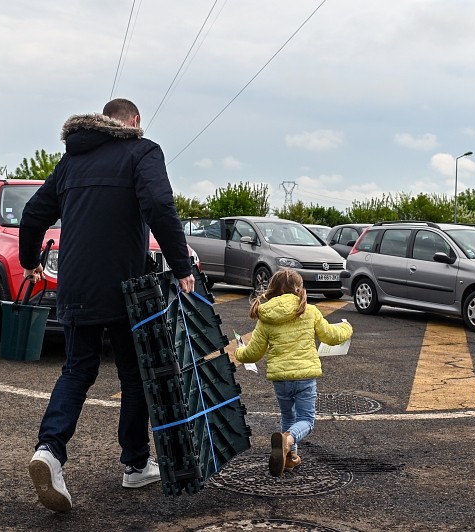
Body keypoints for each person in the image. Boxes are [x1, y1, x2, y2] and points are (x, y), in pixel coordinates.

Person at [19, 98, 195, 512]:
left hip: (75, 286)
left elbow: (32, 216)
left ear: (101, 121)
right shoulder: (142, 151)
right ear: (134, 122)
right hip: (124, 290)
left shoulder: (70, 162)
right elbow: (158, 205)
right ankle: (135, 464)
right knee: (134, 375)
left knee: (77, 370)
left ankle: (50, 450)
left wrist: (30, 262)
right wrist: (181, 264)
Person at [234, 268, 353, 476]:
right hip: (305, 377)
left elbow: (253, 353)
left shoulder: (266, 316)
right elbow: (331, 336)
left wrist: (239, 351)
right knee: (307, 420)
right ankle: (288, 441)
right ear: (298, 288)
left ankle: (289, 458)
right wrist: (347, 328)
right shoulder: (309, 310)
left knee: (288, 415)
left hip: (281, 380)